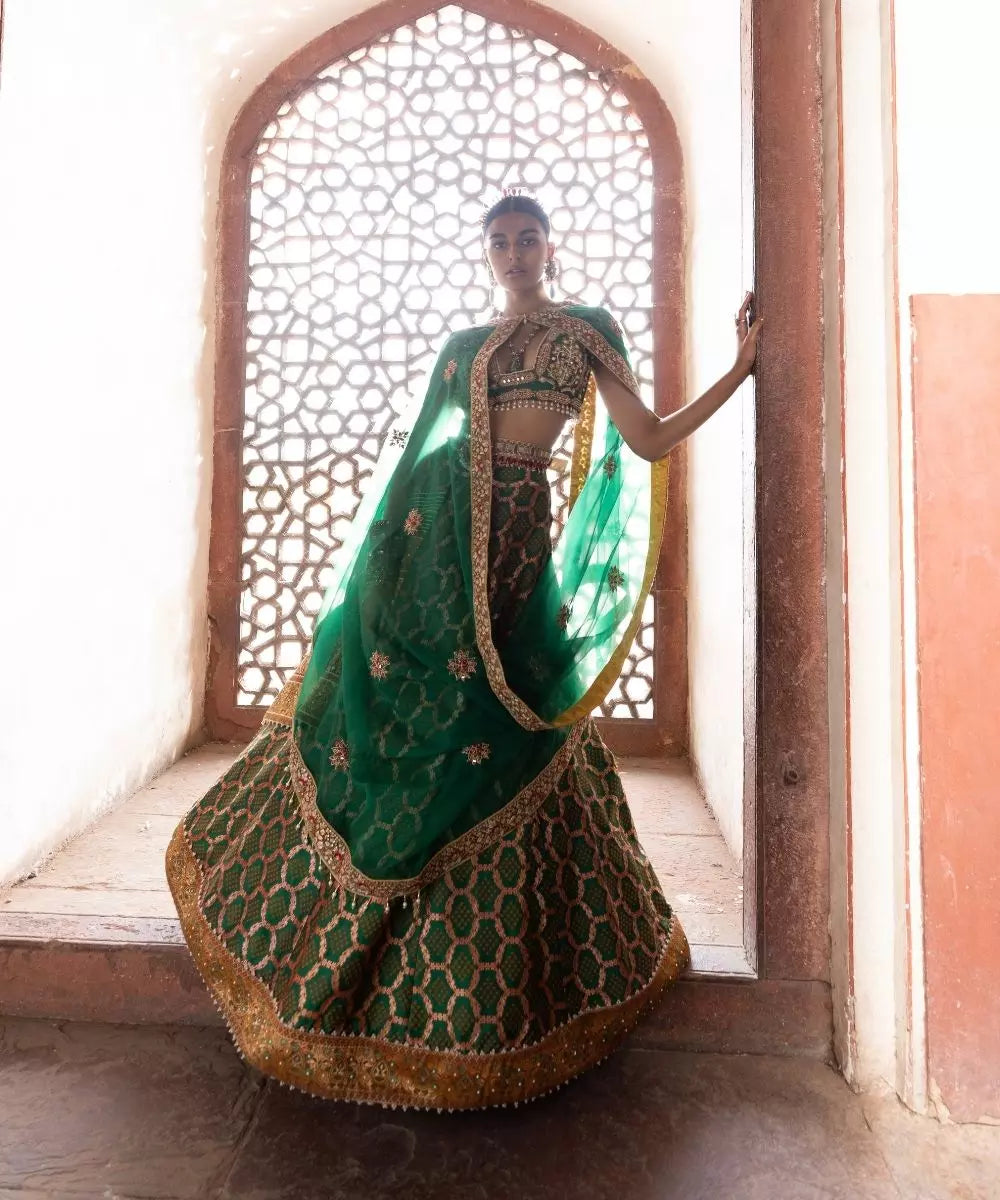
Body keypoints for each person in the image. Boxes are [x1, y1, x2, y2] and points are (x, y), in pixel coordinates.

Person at [166, 191, 762, 1110]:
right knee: (414, 717)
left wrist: (739, 371)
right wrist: (387, 568)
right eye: (500, 243)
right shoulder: (461, 349)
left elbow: (643, 438)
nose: (515, 253)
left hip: (519, 550)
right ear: (487, 255)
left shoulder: (584, 332)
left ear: (549, 247)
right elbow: (419, 462)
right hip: (437, 551)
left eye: (527, 239)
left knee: (517, 718)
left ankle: (534, 965)